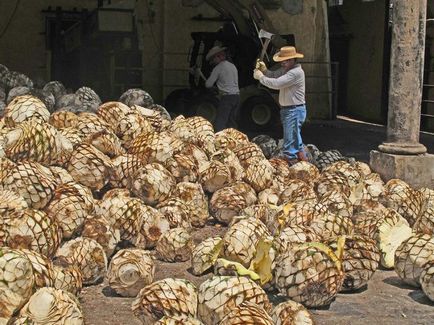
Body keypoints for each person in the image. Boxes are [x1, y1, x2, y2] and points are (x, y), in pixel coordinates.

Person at [253, 46, 308, 165]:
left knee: (289, 144)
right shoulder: (287, 70)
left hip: (293, 111)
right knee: (296, 142)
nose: (283, 63)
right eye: (282, 61)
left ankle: (291, 169)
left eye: (287, 60)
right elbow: (274, 75)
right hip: (290, 110)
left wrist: (261, 77)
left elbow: (277, 84)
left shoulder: (295, 73)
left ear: (293, 60)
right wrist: (265, 70)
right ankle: (305, 165)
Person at [195, 46, 240, 132]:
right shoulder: (232, 66)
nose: (212, 62)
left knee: (220, 123)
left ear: (218, 56)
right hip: (236, 97)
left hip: (227, 98)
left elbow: (208, 84)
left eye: (213, 59)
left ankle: (220, 142)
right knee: (232, 123)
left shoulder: (219, 68)